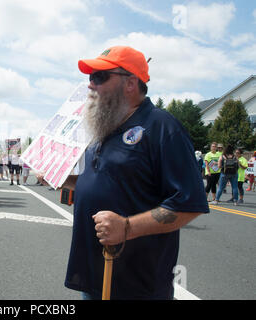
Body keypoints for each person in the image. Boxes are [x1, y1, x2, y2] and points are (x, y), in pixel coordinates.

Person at [60, 46, 208, 300]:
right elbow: (107, 181)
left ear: (130, 83)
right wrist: (65, 179)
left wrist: (126, 227)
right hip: (95, 274)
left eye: (99, 77)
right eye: (90, 78)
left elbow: (189, 204)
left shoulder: (162, 127)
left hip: (137, 285)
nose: (90, 86)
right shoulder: (102, 127)